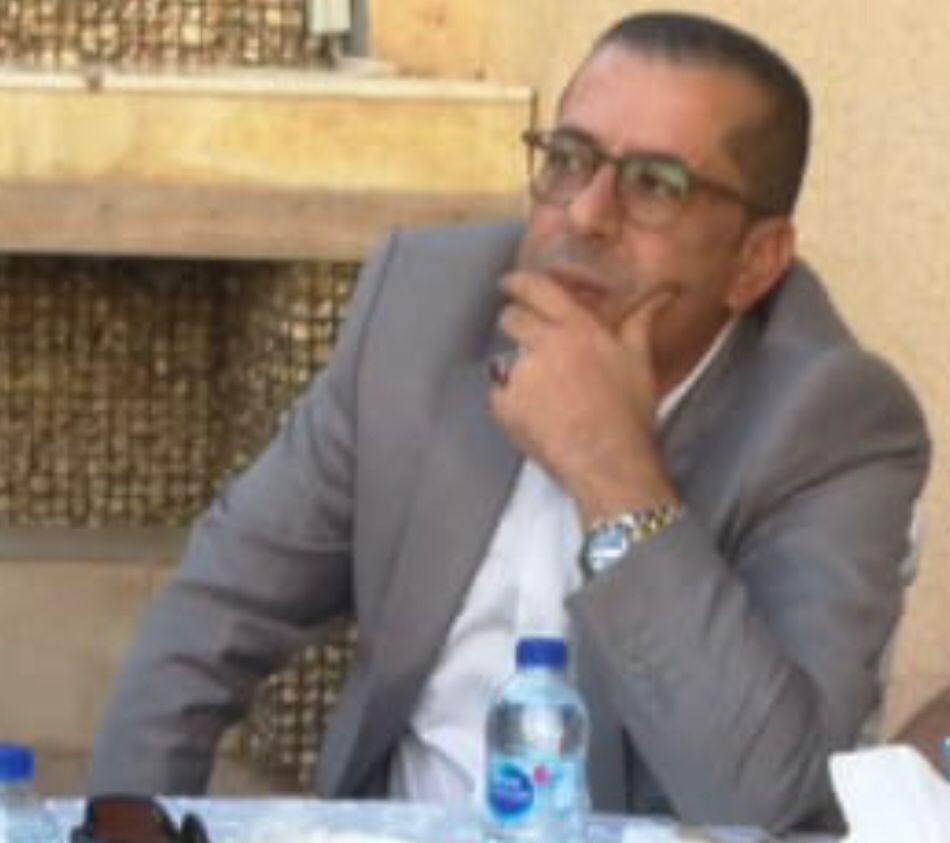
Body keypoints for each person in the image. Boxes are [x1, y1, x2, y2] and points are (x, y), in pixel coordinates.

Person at [88, 11, 930, 833]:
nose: (587, 214)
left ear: (755, 260)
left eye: (655, 185)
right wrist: (127, 818)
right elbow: (219, 607)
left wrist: (614, 473)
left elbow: (771, 803)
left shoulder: (833, 422)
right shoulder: (424, 305)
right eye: (569, 159)